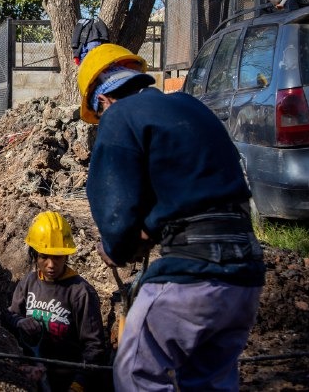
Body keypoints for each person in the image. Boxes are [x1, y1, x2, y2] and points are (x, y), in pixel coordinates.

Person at [76, 43, 265, 391]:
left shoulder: (120, 115)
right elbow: (195, 192)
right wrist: (150, 229)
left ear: (102, 100)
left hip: (193, 276)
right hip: (245, 274)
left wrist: (117, 249)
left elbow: (116, 212)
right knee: (210, 381)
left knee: (136, 373)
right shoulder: (190, 106)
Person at [3, 211, 107, 392]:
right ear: (35, 255)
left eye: (57, 257)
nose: (51, 265)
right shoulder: (29, 283)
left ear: (66, 256)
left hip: (67, 380)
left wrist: (78, 384)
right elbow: (8, 316)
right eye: (44, 256)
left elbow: (94, 347)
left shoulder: (81, 293)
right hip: (31, 374)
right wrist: (19, 321)